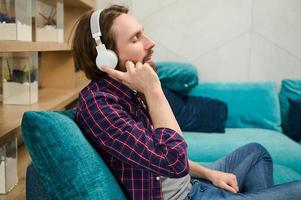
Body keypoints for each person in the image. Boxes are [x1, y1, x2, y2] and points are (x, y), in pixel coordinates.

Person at [73, 5, 301, 200]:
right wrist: (154, 90)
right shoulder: (100, 106)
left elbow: (157, 154)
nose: (150, 42)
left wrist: (209, 173)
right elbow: (173, 161)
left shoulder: (126, 91)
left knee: (257, 152)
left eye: (143, 33)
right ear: (106, 58)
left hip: (193, 185)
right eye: (135, 38)